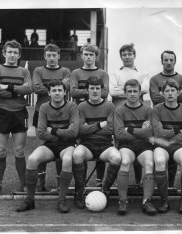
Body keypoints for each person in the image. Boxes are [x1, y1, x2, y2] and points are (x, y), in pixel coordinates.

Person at [16, 79, 79, 213]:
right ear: (49, 93)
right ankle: (29, 200)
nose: (57, 93)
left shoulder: (72, 106)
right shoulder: (44, 107)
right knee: (32, 159)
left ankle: (61, 200)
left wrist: (53, 130)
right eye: (54, 91)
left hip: (67, 145)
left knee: (67, 159)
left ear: (65, 92)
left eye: (60, 90)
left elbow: (74, 133)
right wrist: (62, 133)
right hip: (50, 145)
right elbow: (41, 133)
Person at [0, 40, 33, 195]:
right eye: (9, 52)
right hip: (2, 112)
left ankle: (24, 184)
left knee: (19, 151)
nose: (12, 55)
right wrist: (17, 92)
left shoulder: (24, 71)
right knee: (1, 150)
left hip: (20, 113)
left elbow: (29, 89)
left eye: (15, 52)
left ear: (19, 55)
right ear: (4, 53)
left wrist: (8, 87)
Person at [72, 76, 121, 209]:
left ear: (102, 90)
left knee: (116, 157)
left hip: (105, 145)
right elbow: (80, 130)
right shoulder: (81, 106)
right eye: (92, 88)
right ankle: (80, 192)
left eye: (97, 88)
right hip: (87, 145)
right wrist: (100, 125)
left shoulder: (110, 106)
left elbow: (111, 129)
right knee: (77, 155)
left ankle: (105, 190)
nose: (94, 91)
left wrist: (90, 127)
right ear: (87, 90)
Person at [33, 43, 74, 192]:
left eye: (54, 55)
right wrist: (57, 85)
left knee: (61, 147)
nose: (51, 58)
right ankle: (40, 183)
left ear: (59, 56)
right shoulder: (38, 70)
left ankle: (59, 184)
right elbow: (36, 88)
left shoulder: (66, 71)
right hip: (41, 112)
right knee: (41, 146)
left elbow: (67, 87)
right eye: (48, 55)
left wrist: (50, 86)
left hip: (62, 114)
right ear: (45, 56)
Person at [114, 79, 157, 216]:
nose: (132, 94)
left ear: (140, 93)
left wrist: (130, 129)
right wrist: (141, 132)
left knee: (149, 163)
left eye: (135, 91)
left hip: (144, 146)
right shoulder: (119, 110)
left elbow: (150, 133)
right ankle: (123, 201)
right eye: (129, 91)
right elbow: (119, 134)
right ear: (125, 93)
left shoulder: (148, 110)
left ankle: (147, 201)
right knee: (125, 162)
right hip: (126, 145)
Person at [109, 43, 150, 189]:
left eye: (129, 54)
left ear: (134, 55)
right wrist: (131, 90)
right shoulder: (115, 71)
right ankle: (116, 181)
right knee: (120, 144)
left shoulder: (142, 71)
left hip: (138, 110)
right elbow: (112, 91)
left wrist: (125, 89)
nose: (127, 57)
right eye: (124, 55)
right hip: (120, 110)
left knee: (140, 142)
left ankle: (138, 181)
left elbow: (145, 88)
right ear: (121, 56)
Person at [151, 78, 182, 214]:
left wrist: (167, 134)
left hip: (178, 145)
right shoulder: (157, 109)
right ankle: (164, 200)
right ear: (162, 93)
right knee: (159, 161)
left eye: (173, 90)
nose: (170, 93)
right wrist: (175, 131)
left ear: (178, 93)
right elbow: (157, 132)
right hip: (161, 145)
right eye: (167, 91)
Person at [149, 50, 182, 188]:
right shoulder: (155, 79)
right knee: (160, 156)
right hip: (161, 114)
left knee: (174, 157)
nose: (168, 62)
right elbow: (154, 98)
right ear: (161, 61)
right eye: (165, 60)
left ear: (175, 61)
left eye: (171, 60)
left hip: (176, 114)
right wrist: (176, 131)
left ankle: (170, 186)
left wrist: (168, 96)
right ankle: (160, 188)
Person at [70, 43, 109, 186]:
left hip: (99, 110)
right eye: (86, 54)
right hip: (80, 111)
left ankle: (99, 180)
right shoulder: (75, 73)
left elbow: (104, 93)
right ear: (82, 56)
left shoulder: (103, 73)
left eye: (91, 55)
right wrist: (92, 94)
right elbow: (72, 92)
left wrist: (86, 94)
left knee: (101, 140)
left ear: (96, 57)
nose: (88, 57)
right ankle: (82, 183)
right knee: (82, 143)